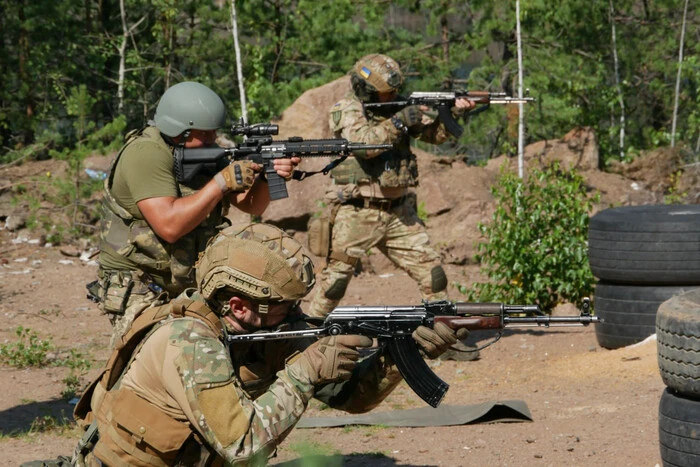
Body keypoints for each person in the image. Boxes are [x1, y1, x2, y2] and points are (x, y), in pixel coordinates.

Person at [62, 223, 466, 466]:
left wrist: (400, 354)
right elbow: (242, 444)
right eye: (284, 304)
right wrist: (305, 372)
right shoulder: (187, 342)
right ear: (238, 305)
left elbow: (351, 399)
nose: (296, 312)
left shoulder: (261, 329)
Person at [91, 81, 300, 347]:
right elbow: (170, 226)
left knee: (247, 327)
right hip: (140, 283)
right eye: (206, 134)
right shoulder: (145, 154)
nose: (213, 140)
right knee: (163, 354)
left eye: (214, 133)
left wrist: (269, 175)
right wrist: (220, 183)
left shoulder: (202, 150)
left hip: (187, 277)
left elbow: (252, 206)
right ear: (182, 132)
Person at [306, 54, 477, 361]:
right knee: (334, 282)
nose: (394, 97)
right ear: (368, 90)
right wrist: (399, 121)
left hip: (399, 213)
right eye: (388, 92)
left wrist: (450, 113)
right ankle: (307, 334)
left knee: (433, 273)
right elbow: (364, 145)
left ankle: (441, 336)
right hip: (358, 211)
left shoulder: (398, 106)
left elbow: (434, 136)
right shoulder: (348, 108)